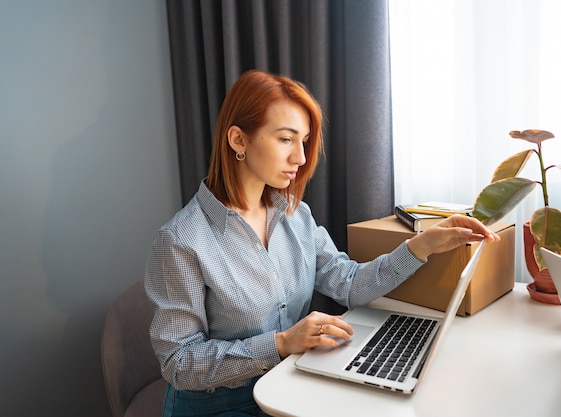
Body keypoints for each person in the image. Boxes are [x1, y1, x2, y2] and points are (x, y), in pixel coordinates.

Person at [144, 69, 499, 417]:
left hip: (288, 385)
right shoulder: (181, 240)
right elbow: (179, 363)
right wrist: (282, 343)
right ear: (239, 140)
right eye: (286, 139)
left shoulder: (296, 215)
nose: (300, 157)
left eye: (303, 141)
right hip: (218, 405)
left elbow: (347, 283)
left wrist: (422, 247)